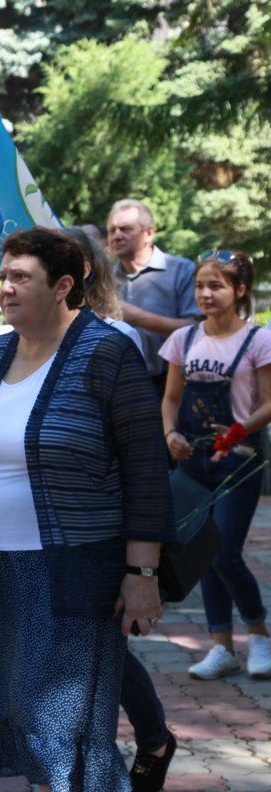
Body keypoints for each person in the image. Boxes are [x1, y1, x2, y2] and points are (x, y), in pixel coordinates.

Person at [0, 228, 173, 792]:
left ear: (64, 285)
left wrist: (143, 575)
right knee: (25, 713)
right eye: (2, 277)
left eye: (20, 278)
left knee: (63, 724)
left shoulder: (106, 353)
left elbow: (145, 470)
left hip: (75, 568)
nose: (4, 289)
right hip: (1, 572)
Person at [67, 224, 176, 792]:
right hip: (43, 525)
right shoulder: (20, 342)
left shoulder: (116, 337)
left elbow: (133, 450)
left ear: (77, 274)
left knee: (100, 641)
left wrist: (141, 564)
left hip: (100, 520)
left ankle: (150, 739)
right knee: (85, 642)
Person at [161, 250, 271, 682]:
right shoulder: (183, 340)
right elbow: (170, 397)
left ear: (240, 290)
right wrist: (170, 434)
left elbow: (267, 403)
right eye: (200, 286)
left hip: (239, 461)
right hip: (194, 462)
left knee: (225, 551)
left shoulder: (258, 340)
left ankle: (259, 634)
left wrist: (240, 431)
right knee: (200, 551)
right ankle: (222, 646)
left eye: (216, 286)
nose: (205, 294)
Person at [108, 199, 200, 395]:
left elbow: (199, 331)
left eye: (125, 229)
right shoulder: (104, 278)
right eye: (112, 230)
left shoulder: (181, 271)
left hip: (170, 386)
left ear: (149, 233)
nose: (117, 236)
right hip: (117, 387)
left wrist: (139, 318)